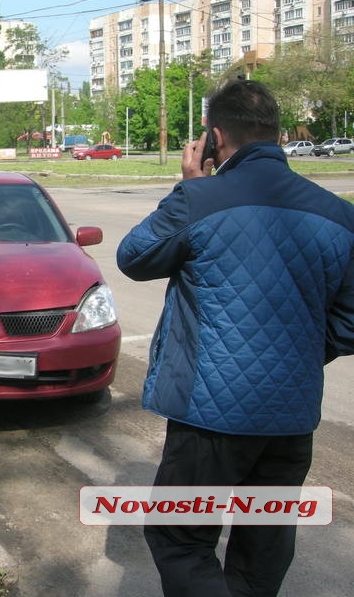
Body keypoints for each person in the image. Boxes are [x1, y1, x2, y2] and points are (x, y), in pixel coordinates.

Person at [116, 79, 354, 596]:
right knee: (264, 540)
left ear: (214, 137)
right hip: (291, 416)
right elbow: (350, 323)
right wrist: (300, 354)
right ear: (279, 135)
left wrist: (189, 184)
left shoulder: (200, 198)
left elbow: (132, 258)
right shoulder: (339, 213)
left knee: (179, 538)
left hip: (210, 413)